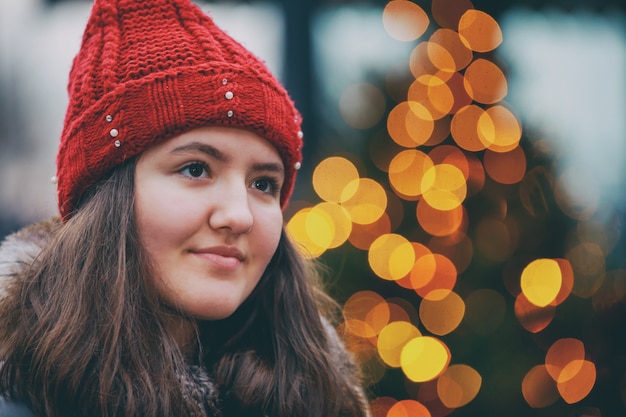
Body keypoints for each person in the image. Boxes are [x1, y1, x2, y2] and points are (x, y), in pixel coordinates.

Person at [0, 0, 370, 416]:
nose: (239, 215)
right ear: (104, 197)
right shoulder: (21, 397)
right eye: (196, 169)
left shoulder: (314, 396)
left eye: (263, 184)